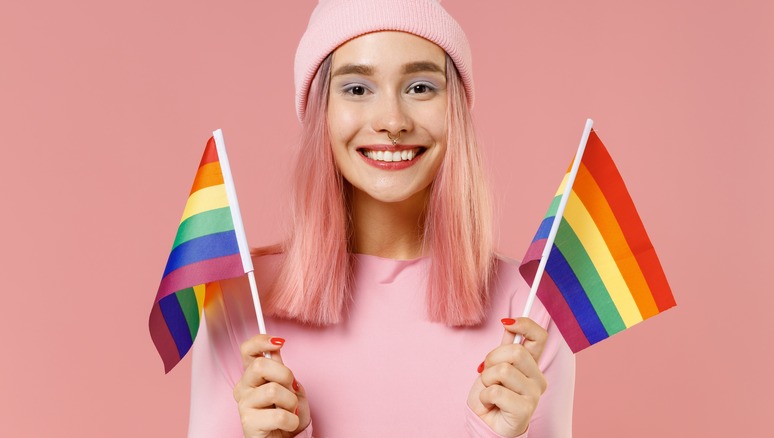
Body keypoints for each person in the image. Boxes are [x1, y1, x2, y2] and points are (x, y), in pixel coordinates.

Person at [188, 1, 575, 436]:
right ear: (322, 113)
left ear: (456, 111)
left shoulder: (529, 312)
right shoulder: (237, 301)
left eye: (421, 87)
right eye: (356, 89)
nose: (392, 121)